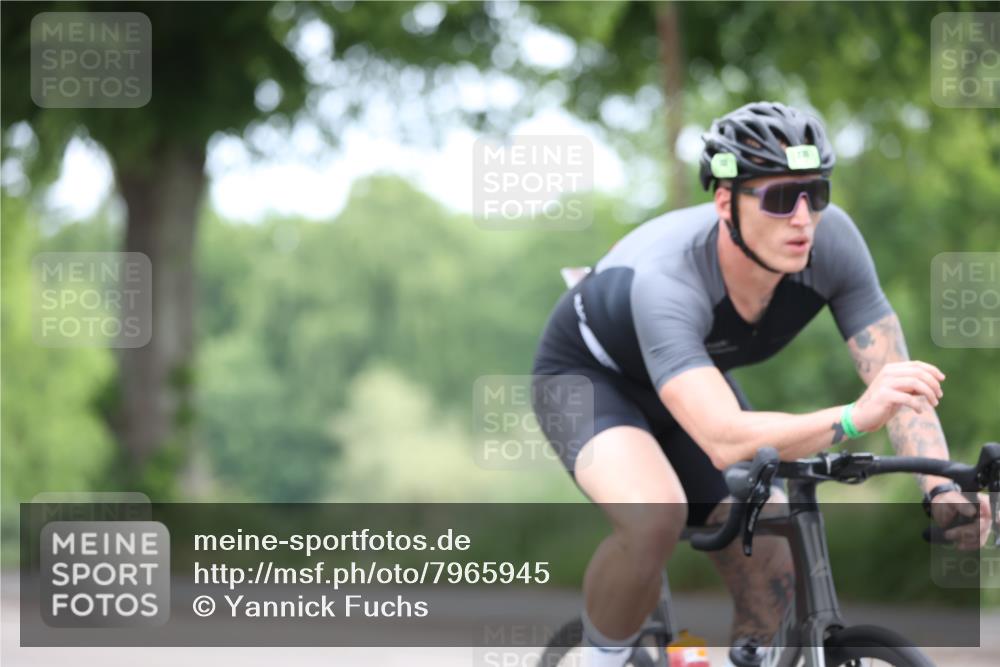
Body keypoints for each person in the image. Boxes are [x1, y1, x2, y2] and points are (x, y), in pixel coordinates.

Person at [530, 101, 991, 667]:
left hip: (692, 382)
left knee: (771, 541)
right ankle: (596, 661)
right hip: (590, 377)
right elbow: (725, 438)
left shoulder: (834, 244)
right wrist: (850, 419)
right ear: (726, 202)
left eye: (815, 194)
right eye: (778, 198)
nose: (802, 218)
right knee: (654, 518)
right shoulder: (668, 279)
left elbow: (896, 384)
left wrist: (940, 490)